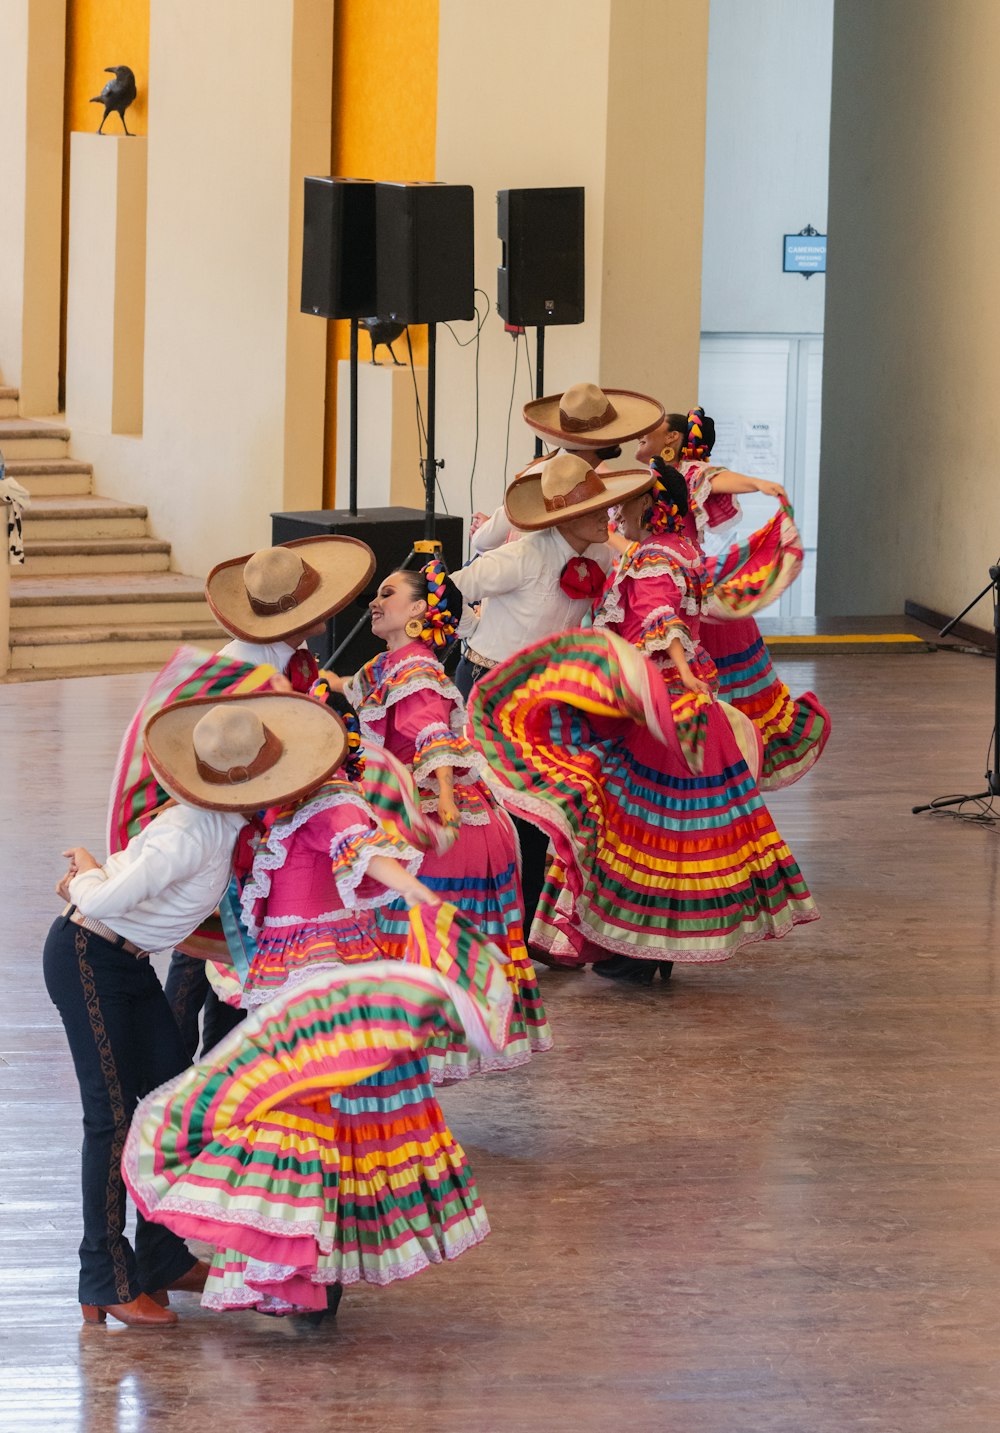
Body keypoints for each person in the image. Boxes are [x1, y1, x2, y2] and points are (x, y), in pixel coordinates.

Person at [43, 690, 346, 1326]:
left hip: (125, 963)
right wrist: (87, 874)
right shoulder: (189, 831)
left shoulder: (229, 827)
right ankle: (105, 1277)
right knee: (113, 1117)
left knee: (166, 1104)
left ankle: (161, 1259)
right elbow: (101, 901)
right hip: (87, 955)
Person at [463, 461, 818, 985]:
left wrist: (675, 668)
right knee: (671, 834)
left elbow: (658, 615)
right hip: (682, 711)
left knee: (630, 829)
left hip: (657, 712)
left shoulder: (651, 556)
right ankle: (649, 952)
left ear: (649, 508)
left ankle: (632, 950)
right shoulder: (683, 550)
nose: (614, 513)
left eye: (624, 504)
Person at [124, 932, 513, 1317]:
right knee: (293, 1112)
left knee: (306, 1111)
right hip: (294, 957)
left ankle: (307, 1270)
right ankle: (300, 1270)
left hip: (313, 956)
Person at [156, 535, 376, 1055]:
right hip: (234, 831)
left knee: (226, 962)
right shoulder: (246, 675)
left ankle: (210, 1078)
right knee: (212, 954)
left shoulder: (280, 658)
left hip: (257, 829)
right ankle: (173, 1086)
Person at [334, 557, 553, 1078]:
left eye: (388, 594)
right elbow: (350, 687)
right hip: (416, 815)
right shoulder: (390, 665)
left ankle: (406, 1060)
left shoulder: (417, 669)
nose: (375, 602)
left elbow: (434, 736)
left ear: (417, 610)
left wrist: (447, 804)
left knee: (413, 942)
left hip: (433, 829)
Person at [635, 409, 830, 789]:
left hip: (679, 587)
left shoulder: (684, 474)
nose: (642, 433)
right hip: (654, 586)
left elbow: (717, 478)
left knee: (698, 691)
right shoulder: (644, 480)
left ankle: (714, 769)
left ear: (674, 439)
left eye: (653, 430)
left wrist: (758, 483)